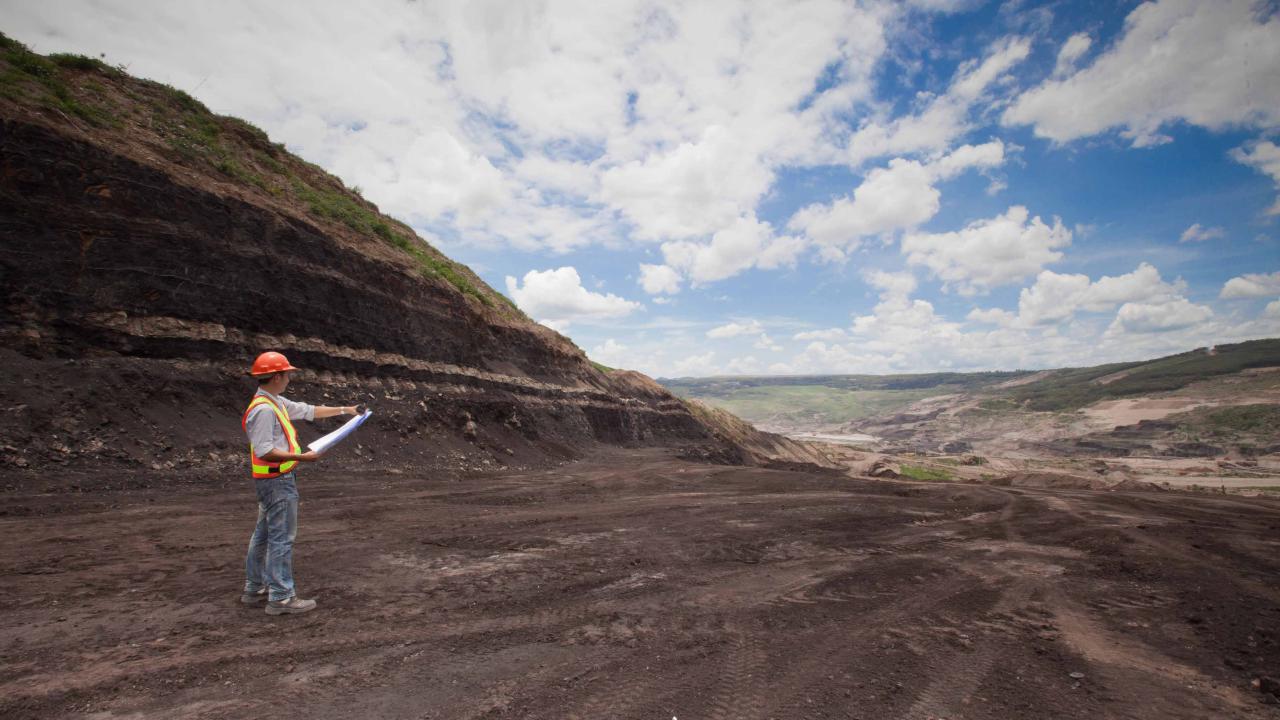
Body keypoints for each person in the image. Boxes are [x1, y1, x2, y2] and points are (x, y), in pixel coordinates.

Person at [240, 351, 362, 615]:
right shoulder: (264, 410)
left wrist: (346, 410)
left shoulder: (274, 402)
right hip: (276, 481)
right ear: (276, 376)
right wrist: (301, 457)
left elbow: (308, 411)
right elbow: (264, 450)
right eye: (287, 374)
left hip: (272, 480)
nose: (289, 378)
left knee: (263, 535)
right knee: (281, 538)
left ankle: (254, 588)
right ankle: (281, 597)